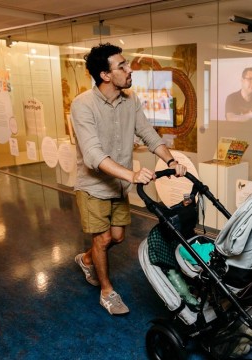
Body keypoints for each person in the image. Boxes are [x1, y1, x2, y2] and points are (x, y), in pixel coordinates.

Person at [70, 43, 187, 315]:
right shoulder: (83, 105)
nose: (129, 68)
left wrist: (171, 160)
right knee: (102, 239)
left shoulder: (131, 100)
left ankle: (86, 260)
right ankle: (107, 291)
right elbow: (92, 155)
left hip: (118, 185)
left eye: (127, 63)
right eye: (121, 66)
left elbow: (148, 134)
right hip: (92, 187)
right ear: (105, 75)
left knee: (117, 237)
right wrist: (132, 174)